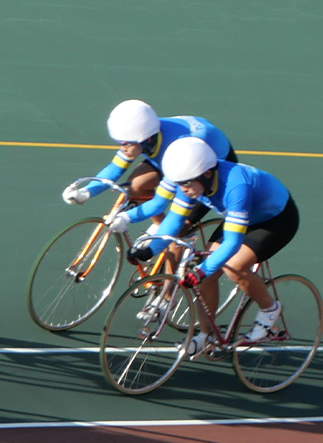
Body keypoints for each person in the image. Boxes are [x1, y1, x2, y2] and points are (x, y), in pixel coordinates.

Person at [110, 137, 299, 352]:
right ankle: (206, 335)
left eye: (188, 184)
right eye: (180, 184)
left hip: (275, 221)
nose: (184, 189)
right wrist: (150, 249)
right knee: (206, 275)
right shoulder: (189, 181)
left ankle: (269, 309)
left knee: (233, 266)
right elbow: (174, 220)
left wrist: (202, 271)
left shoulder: (236, 186)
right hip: (243, 217)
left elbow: (233, 242)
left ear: (207, 174)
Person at [63, 100, 233, 214]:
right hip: (170, 155)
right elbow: (114, 170)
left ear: (145, 139)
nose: (122, 148)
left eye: (126, 144)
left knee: (177, 231)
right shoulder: (142, 135)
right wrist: (86, 192)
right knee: (136, 185)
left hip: (201, 166)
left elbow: (165, 197)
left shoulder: (180, 145)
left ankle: (171, 267)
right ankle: (158, 224)